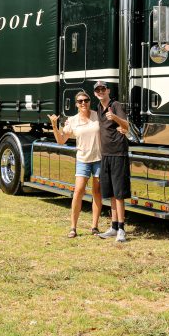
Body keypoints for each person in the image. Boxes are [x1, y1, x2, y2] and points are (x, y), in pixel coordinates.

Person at [48, 90, 103, 238]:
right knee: (78, 191)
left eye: (86, 100)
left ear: (90, 102)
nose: (83, 103)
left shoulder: (97, 116)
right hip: (82, 160)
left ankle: (95, 227)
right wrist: (54, 125)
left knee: (97, 192)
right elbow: (61, 141)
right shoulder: (72, 120)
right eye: (80, 101)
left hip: (98, 159)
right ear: (76, 104)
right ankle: (73, 228)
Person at [93, 81, 130, 243]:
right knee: (112, 193)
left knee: (119, 193)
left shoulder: (115, 105)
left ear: (108, 90)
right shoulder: (98, 107)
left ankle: (121, 229)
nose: (100, 91)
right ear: (95, 93)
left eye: (103, 89)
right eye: (98, 90)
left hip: (118, 153)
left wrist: (114, 117)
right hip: (106, 154)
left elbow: (126, 125)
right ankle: (114, 227)